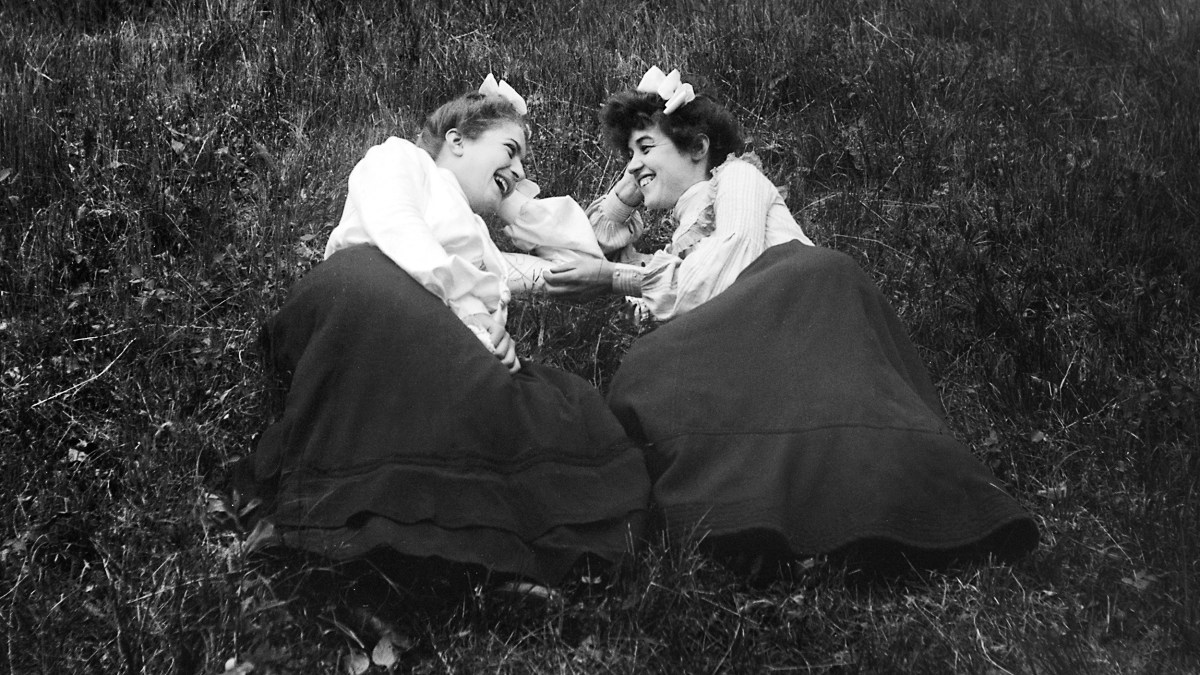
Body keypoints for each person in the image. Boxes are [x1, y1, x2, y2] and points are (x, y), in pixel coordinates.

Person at [544, 67, 1039, 571]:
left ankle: (872, 509)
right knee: (650, 368)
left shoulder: (737, 177)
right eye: (628, 155)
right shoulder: (678, 243)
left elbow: (726, 265)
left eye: (645, 148)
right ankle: (745, 519)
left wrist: (614, 278)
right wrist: (627, 194)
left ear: (698, 148)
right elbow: (610, 251)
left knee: (653, 361)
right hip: (755, 326)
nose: (634, 166)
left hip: (802, 296)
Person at [244, 76, 650, 591]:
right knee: (465, 367)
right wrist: (472, 317)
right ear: (457, 140)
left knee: (559, 402)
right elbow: (399, 230)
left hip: (434, 333)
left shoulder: (478, 236)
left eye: (523, 162)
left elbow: (552, 270)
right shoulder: (399, 160)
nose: (520, 169)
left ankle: (470, 550)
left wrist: (607, 271)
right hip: (361, 293)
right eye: (510, 150)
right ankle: (369, 521)